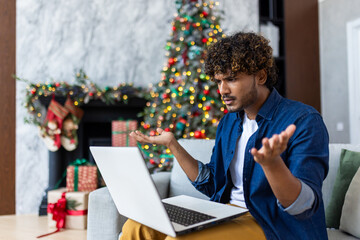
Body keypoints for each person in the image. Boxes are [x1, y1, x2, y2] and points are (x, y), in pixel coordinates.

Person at [123, 32, 329, 240]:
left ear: (261, 76)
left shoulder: (303, 120)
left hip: (273, 225)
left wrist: (272, 165)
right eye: (219, 81)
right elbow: (212, 184)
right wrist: (173, 145)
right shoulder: (229, 122)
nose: (223, 90)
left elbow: (304, 205)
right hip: (228, 213)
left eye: (231, 79)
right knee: (136, 227)